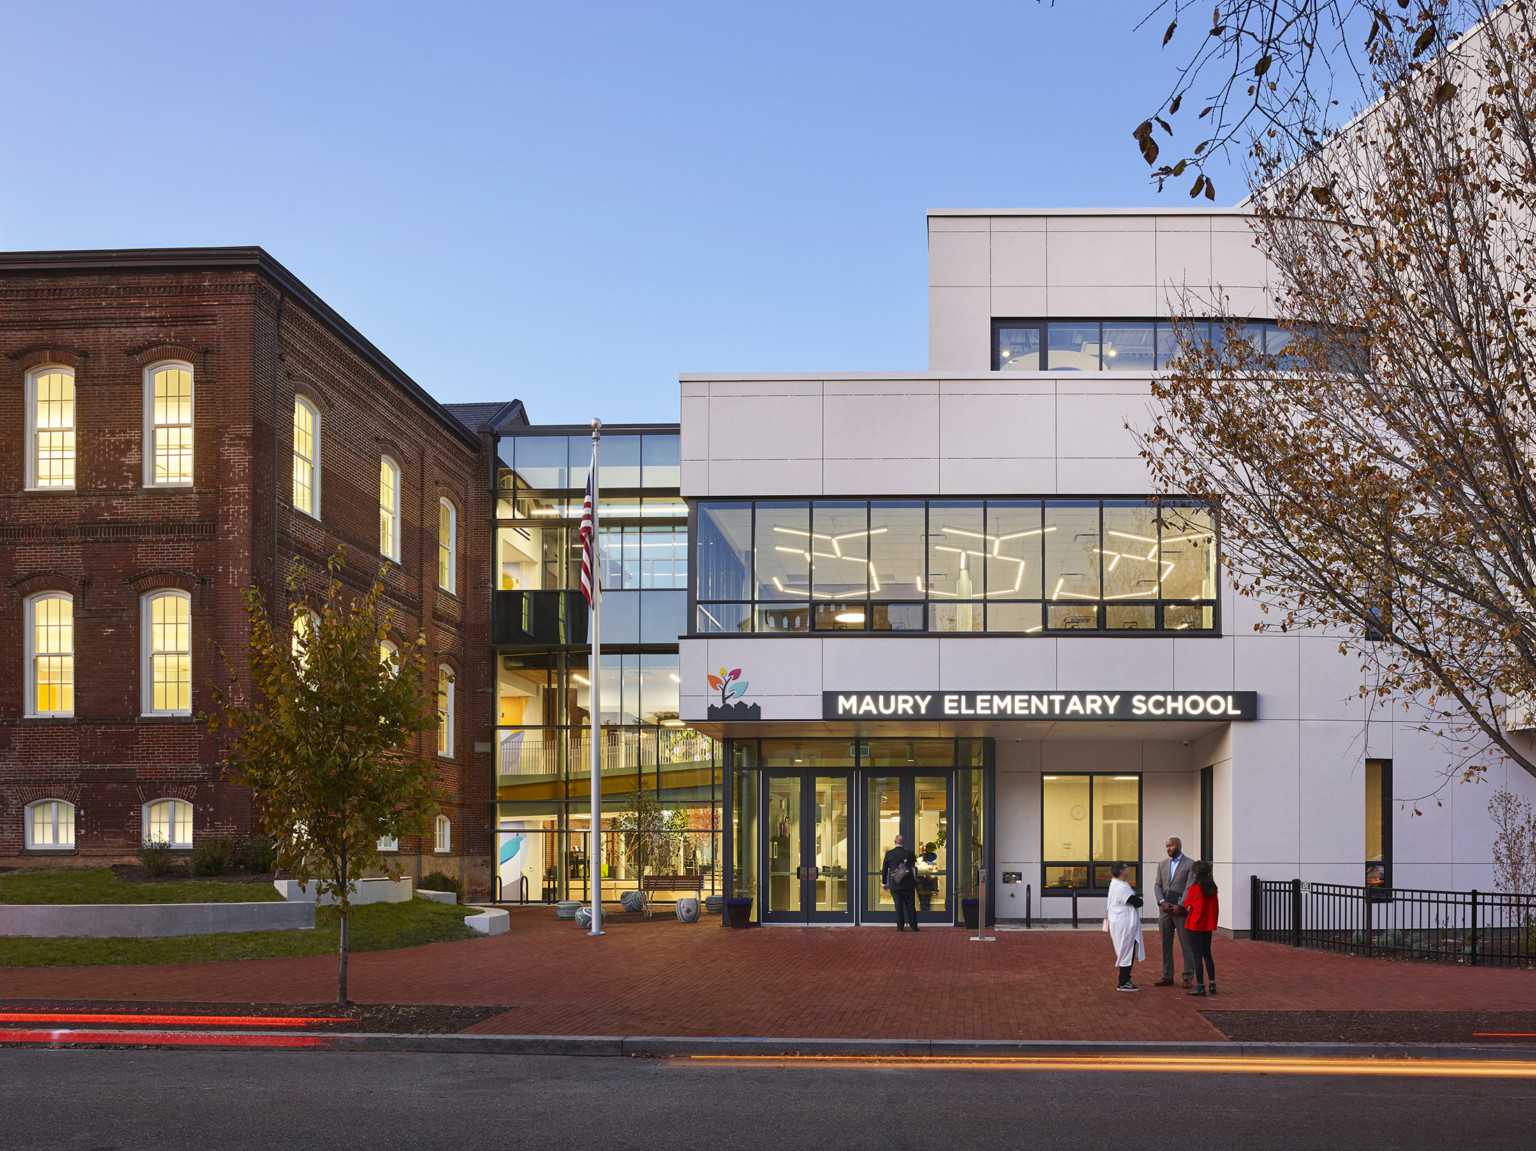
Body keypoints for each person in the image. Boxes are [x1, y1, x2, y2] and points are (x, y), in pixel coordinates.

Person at [1154, 836, 1196, 988]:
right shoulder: (1162, 864)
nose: (1168, 848)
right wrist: (1162, 902)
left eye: (1171, 845)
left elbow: (1189, 887)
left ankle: (1188, 976)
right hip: (1165, 911)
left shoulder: (1190, 864)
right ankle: (1167, 975)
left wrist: (1181, 905)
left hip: (1181, 911)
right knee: (1166, 944)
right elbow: (1158, 885)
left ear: (1178, 845)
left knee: (1186, 944)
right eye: (1166, 846)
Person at [1105, 861, 1145, 991]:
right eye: (1126, 867)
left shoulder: (1117, 884)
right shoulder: (1120, 887)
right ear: (1121, 871)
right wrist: (1139, 899)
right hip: (1124, 924)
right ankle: (1123, 981)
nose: (1129, 869)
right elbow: (1137, 902)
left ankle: (1125, 978)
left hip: (1122, 922)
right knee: (1127, 950)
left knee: (1127, 949)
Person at [1181, 861, 1219, 996]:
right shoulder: (1212, 888)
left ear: (1196, 873)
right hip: (1207, 925)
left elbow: (1187, 902)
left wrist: (1189, 906)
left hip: (1194, 925)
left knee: (1197, 956)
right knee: (1207, 954)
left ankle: (1201, 986)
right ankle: (1212, 983)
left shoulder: (1194, 888)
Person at [881, 833, 919, 932]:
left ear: (895, 842)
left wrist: (884, 883)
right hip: (908, 883)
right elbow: (914, 867)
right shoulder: (910, 853)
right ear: (903, 843)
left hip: (895, 884)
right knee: (910, 905)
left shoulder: (889, 854)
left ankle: (900, 927)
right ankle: (914, 926)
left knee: (898, 905)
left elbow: (884, 869)